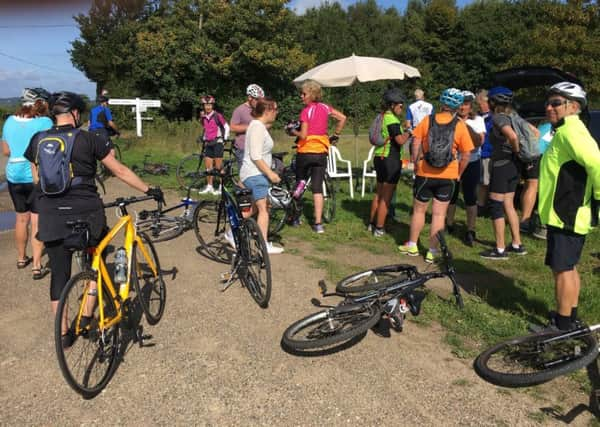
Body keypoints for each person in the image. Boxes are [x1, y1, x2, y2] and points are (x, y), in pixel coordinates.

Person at [24, 91, 163, 348]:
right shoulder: (88, 139)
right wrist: (147, 189)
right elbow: (119, 170)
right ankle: (87, 315)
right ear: (75, 113)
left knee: (59, 273)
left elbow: (36, 177)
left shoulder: (38, 139)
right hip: (85, 211)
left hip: (51, 213)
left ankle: (64, 334)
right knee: (95, 258)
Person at [537, 82, 600, 331]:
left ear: (573, 106)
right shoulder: (565, 130)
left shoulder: (571, 131)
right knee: (568, 268)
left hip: (566, 211)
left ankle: (562, 327)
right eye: (548, 102)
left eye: (556, 103)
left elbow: (597, 163)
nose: (549, 107)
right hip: (564, 211)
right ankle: (569, 317)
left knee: (562, 270)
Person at [398, 88, 474, 263]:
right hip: (448, 175)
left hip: (425, 171)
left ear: (441, 103)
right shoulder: (460, 125)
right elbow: (467, 154)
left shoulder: (427, 120)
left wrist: (416, 163)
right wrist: (459, 174)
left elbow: (416, 143)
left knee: (419, 210)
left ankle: (412, 244)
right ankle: (432, 251)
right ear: (457, 106)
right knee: (439, 215)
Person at [1, 88, 52, 279]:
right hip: (35, 175)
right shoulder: (45, 122)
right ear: (40, 103)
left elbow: (5, 151)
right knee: (37, 220)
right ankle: (37, 265)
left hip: (14, 175)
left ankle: (22, 258)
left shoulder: (9, 121)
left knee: (21, 218)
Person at [290, 79, 347, 233]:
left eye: (303, 94)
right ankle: (318, 224)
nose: (301, 96)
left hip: (305, 151)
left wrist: (291, 131)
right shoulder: (325, 107)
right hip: (321, 152)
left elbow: (303, 135)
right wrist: (335, 135)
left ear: (312, 95)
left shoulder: (305, 111)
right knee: (317, 188)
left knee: (299, 183)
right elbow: (342, 118)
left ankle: (295, 217)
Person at [480, 87, 530, 259]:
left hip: (502, 165)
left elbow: (513, 137)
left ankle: (500, 249)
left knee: (496, 205)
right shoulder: (515, 117)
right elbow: (535, 133)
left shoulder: (499, 118)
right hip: (514, 166)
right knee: (509, 204)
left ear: (493, 102)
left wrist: (515, 150)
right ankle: (517, 244)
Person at [239, 97, 284, 254]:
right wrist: (270, 174)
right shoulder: (257, 127)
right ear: (267, 111)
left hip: (255, 173)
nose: (277, 112)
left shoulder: (258, 125)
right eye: (275, 109)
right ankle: (263, 246)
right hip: (255, 174)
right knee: (263, 208)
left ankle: (233, 231)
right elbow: (256, 156)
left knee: (256, 207)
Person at [367, 88, 411, 236]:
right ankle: (379, 228)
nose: (401, 107)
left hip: (379, 157)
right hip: (391, 160)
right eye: (400, 105)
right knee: (386, 196)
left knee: (378, 193)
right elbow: (399, 140)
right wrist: (409, 132)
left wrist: (402, 129)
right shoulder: (392, 119)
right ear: (392, 105)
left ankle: (371, 223)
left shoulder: (381, 116)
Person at [445, 90, 486, 246]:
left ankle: (471, 229)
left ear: (471, 106)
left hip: (472, 162)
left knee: (470, 197)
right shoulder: (450, 119)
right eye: (461, 104)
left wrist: (464, 126)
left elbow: (480, 142)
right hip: (453, 162)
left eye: (466, 104)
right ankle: (449, 224)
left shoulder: (478, 120)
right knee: (451, 195)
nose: (463, 107)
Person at [197, 95, 229, 195]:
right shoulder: (203, 117)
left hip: (218, 142)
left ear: (212, 105)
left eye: (210, 105)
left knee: (218, 167)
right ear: (203, 106)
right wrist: (204, 137)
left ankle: (221, 187)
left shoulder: (217, 115)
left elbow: (226, 126)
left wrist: (225, 138)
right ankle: (209, 186)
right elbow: (206, 128)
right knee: (208, 167)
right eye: (206, 105)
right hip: (209, 143)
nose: (208, 107)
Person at [230, 84, 265, 168]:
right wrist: (251, 127)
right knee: (245, 176)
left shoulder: (259, 110)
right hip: (243, 148)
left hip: (258, 148)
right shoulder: (239, 110)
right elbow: (232, 127)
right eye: (256, 100)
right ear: (249, 97)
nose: (259, 102)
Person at [476, 89, 493, 216]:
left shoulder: (493, 117)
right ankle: (481, 206)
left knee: (486, 182)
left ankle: (486, 206)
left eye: (480, 103)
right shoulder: (478, 116)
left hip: (489, 153)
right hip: (480, 153)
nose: (479, 106)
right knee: (482, 182)